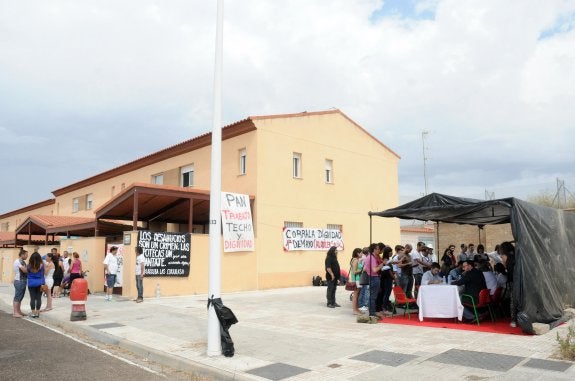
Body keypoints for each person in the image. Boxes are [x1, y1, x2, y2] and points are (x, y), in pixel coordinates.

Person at [500, 241, 517, 327]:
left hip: (512, 280)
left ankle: (514, 320)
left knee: (513, 300)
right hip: (518, 279)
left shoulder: (505, 256)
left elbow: (505, 266)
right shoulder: (516, 254)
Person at [365, 243, 383, 317]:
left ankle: (372, 312)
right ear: (374, 249)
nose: (379, 250)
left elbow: (366, 268)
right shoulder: (371, 258)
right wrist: (382, 265)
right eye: (378, 249)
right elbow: (374, 270)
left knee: (372, 296)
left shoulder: (369, 257)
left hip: (372, 277)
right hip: (374, 277)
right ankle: (372, 313)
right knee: (373, 297)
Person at [376, 246, 394, 317]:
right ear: (387, 252)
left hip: (386, 279)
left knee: (386, 294)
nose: (391, 253)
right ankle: (384, 308)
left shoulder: (386, 259)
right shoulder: (385, 260)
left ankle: (383, 308)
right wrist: (394, 277)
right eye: (390, 252)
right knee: (386, 294)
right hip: (387, 279)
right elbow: (388, 271)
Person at [27, 251, 46, 318]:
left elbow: (27, 273)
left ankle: (33, 312)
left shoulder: (29, 265)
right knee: (38, 298)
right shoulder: (42, 265)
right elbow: (43, 274)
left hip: (31, 283)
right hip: (40, 283)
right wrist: (43, 283)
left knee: (32, 298)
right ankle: (37, 312)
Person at [13, 249, 28, 318]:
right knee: (18, 297)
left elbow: (25, 269)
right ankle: (15, 312)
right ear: (22, 255)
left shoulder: (22, 261)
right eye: (26, 255)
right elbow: (24, 270)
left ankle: (19, 311)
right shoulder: (19, 261)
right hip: (19, 281)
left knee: (20, 297)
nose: (27, 256)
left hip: (22, 280)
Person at [349, 248, 362, 315]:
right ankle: (354, 310)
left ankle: (356, 309)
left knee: (357, 295)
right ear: (357, 253)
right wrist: (362, 270)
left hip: (357, 279)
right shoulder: (355, 260)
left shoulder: (355, 260)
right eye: (361, 253)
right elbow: (354, 272)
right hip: (356, 280)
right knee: (355, 295)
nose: (362, 254)